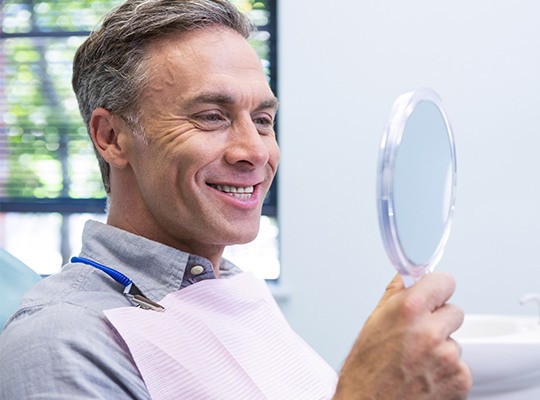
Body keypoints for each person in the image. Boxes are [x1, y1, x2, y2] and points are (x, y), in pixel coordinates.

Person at [0, 0, 472, 398]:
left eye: (263, 120)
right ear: (111, 137)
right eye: (210, 116)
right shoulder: (59, 341)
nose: (255, 151)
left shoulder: (232, 290)